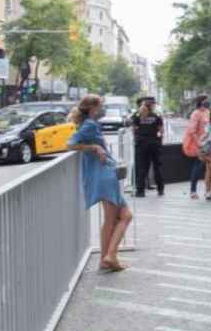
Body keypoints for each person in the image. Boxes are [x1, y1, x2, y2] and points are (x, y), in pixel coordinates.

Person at [67, 95, 133, 272]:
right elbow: (71, 143)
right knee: (115, 219)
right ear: (92, 108)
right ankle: (110, 257)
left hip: (105, 174)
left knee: (122, 216)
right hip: (104, 175)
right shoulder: (90, 124)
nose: (103, 109)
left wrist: (95, 147)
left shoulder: (89, 123)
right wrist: (95, 147)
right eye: (101, 105)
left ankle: (107, 259)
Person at [130, 98, 164, 197]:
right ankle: (160, 189)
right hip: (154, 143)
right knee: (157, 166)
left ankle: (140, 191)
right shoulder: (157, 116)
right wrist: (159, 140)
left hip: (141, 144)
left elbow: (134, 130)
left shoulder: (137, 116)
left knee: (141, 166)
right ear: (152, 106)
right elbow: (161, 131)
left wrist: (137, 137)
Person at [182, 96, 210, 199]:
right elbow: (192, 130)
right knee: (197, 166)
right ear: (200, 102)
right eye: (205, 100)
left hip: (207, 143)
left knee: (207, 167)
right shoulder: (196, 113)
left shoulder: (207, 112)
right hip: (198, 145)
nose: (207, 102)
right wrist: (198, 143)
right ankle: (193, 190)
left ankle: (209, 190)